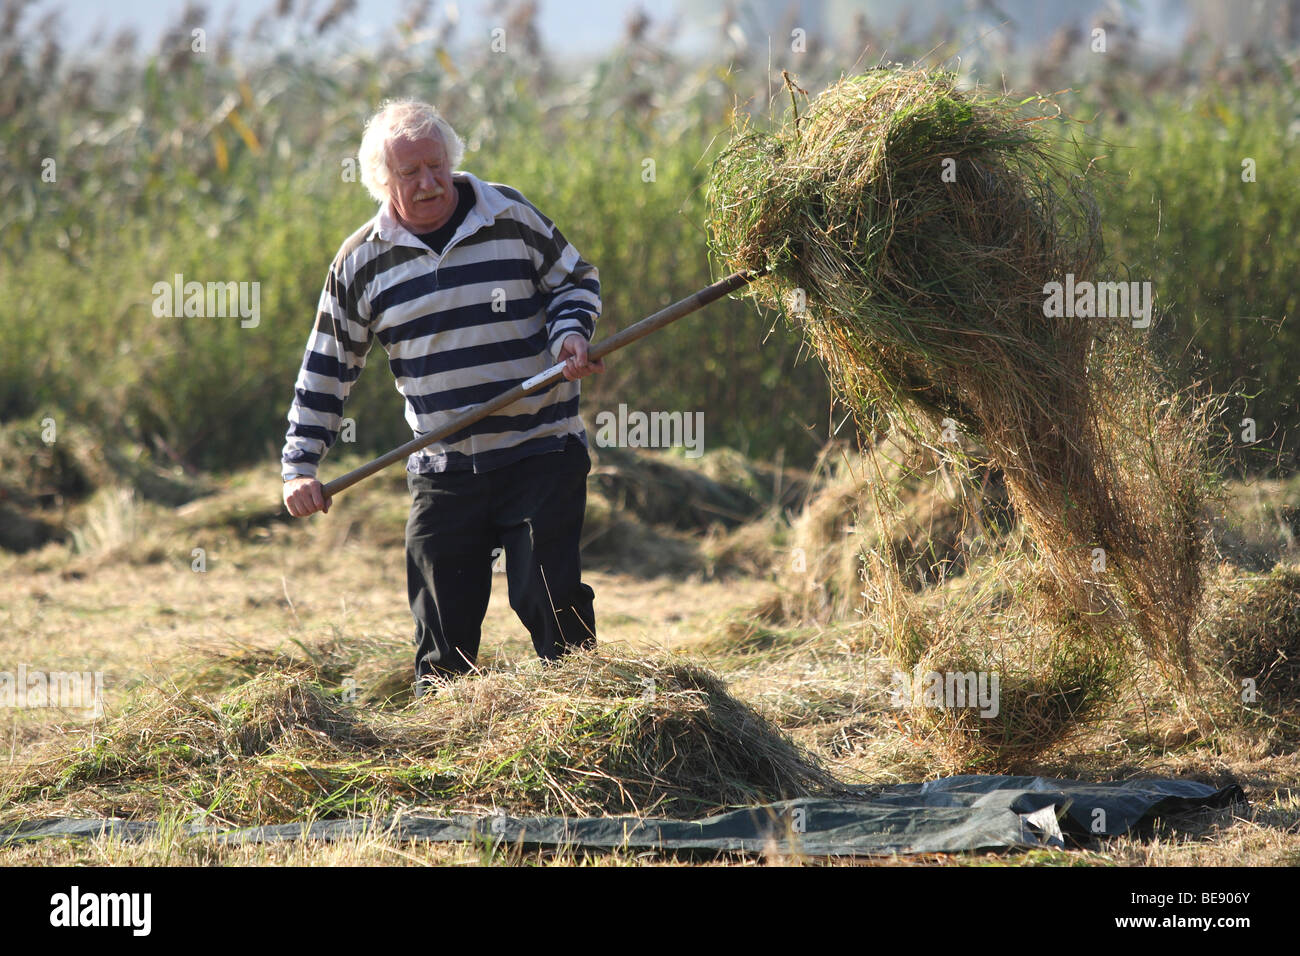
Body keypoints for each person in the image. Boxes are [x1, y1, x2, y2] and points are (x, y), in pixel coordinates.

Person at [280, 99, 604, 693]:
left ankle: (588, 714)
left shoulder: (508, 214)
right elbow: (328, 364)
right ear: (384, 181)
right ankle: (445, 747)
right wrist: (301, 464)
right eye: (411, 173)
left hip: (540, 448)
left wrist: (570, 335)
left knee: (548, 596)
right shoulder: (360, 263)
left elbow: (574, 282)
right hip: (445, 465)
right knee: (442, 627)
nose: (430, 183)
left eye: (436, 166)